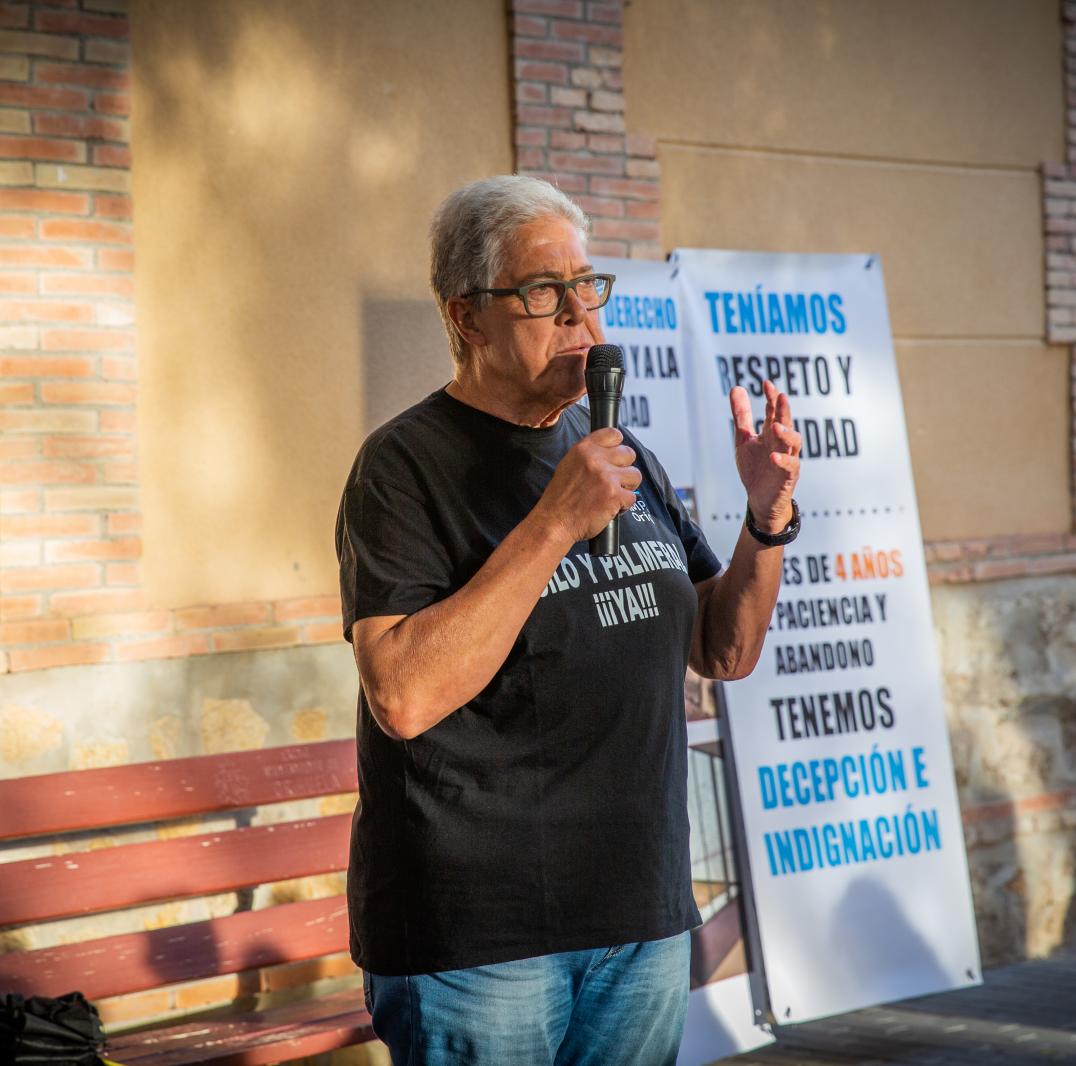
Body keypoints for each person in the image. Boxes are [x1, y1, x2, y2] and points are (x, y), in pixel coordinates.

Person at [335, 175, 800, 1065]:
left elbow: (724, 647)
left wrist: (766, 516)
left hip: (638, 916)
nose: (582, 318)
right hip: (482, 939)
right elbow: (402, 694)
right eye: (544, 292)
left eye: (588, 286)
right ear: (466, 317)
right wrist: (553, 524)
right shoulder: (401, 469)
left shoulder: (616, 451)